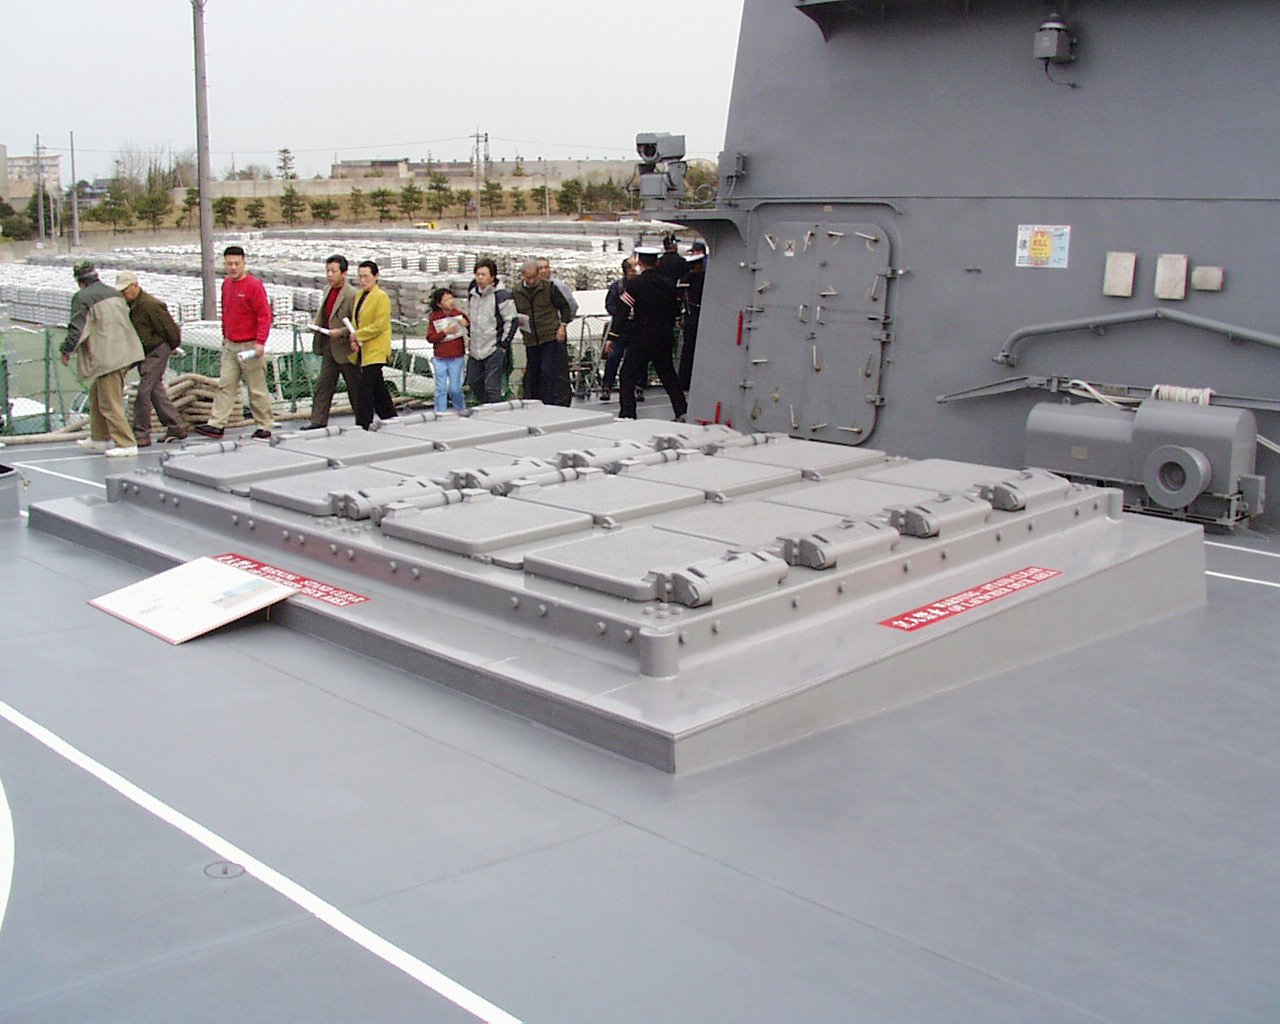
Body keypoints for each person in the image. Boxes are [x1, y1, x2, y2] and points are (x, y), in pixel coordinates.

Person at [59, 262, 144, 457]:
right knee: (96, 395)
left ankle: (126, 443)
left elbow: (77, 329)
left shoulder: (82, 298)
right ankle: (99, 438)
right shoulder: (114, 293)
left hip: (108, 357)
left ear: (79, 281)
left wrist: (66, 350)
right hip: (124, 352)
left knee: (110, 403)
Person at [195, 245, 274, 439]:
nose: (232, 267)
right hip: (231, 345)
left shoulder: (253, 286)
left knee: (256, 388)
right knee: (225, 385)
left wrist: (260, 341)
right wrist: (225, 335)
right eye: (229, 264)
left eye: (236, 263)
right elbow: (226, 312)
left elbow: (264, 315)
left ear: (243, 263)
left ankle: (264, 424)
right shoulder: (227, 285)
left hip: (250, 345)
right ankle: (216, 423)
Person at [115, 270, 186, 446]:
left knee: (144, 392)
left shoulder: (150, 305)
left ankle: (142, 433)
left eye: (125, 290)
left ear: (135, 286)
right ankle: (175, 426)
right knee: (154, 390)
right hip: (147, 351)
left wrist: (170, 347)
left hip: (156, 350)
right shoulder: (135, 305)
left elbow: (171, 330)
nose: (124, 294)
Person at [618, 246, 687, 421]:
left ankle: (628, 414)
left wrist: (613, 336)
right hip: (664, 337)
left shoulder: (635, 284)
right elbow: (676, 309)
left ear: (640, 262)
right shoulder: (668, 284)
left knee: (627, 376)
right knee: (668, 376)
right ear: (656, 262)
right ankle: (681, 411)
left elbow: (622, 311)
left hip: (641, 338)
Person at [303, 254, 359, 430]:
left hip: (346, 349)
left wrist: (341, 332)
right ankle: (318, 421)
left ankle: (362, 419)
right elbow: (324, 314)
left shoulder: (352, 294)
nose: (329, 275)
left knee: (354, 387)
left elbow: (356, 322)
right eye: (327, 271)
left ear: (344, 273)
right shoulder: (327, 290)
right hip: (329, 346)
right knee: (324, 385)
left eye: (333, 271)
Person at [512, 259, 573, 406]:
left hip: (549, 335)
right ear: (523, 276)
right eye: (529, 278)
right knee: (533, 373)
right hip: (530, 338)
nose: (532, 281)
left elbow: (565, 307)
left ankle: (549, 402)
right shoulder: (516, 291)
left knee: (548, 372)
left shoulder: (549, 287)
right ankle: (534, 402)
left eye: (534, 277)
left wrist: (562, 326)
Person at [350, 260, 398, 430]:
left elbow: (379, 325)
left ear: (376, 276)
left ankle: (363, 423)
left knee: (365, 386)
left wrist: (358, 335)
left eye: (366, 276)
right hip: (364, 347)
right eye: (360, 277)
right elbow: (356, 320)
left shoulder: (381, 297)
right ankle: (390, 417)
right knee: (378, 387)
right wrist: (355, 339)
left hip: (377, 348)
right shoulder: (359, 296)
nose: (363, 280)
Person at [466, 258, 518, 405]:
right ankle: (485, 405)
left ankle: (496, 411)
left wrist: (503, 344)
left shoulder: (501, 296)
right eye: (477, 274)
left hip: (494, 347)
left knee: (492, 386)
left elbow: (511, 320)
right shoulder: (473, 294)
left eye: (483, 275)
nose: (480, 278)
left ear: (492, 276)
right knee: (473, 381)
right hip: (476, 347)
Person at [600, 257, 637, 402]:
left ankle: (638, 386)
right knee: (613, 357)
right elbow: (610, 305)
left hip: (637, 326)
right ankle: (607, 387)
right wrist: (622, 314)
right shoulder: (617, 287)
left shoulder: (640, 284)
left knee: (638, 358)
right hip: (621, 327)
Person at [427, 287, 468, 413]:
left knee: (455, 388)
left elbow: (470, 330)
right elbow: (430, 337)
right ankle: (440, 412)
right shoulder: (434, 317)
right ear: (439, 304)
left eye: (451, 298)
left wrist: (466, 324)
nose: (450, 302)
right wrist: (444, 332)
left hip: (456, 356)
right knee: (441, 388)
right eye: (446, 300)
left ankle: (460, 409)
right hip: (440, 357)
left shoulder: (458, 314)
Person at [677, 243, 707, 392]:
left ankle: (684, 381)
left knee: (687, 349)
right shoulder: (704, 279)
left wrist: (679, 318)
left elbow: (679, 298)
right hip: (700, 317)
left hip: (689, 316)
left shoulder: (685, 279)